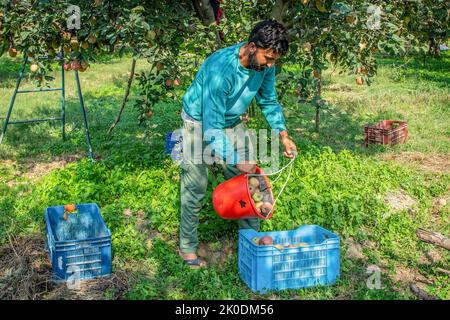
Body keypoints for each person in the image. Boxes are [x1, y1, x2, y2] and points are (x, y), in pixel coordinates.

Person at [179, 19, 297, 268]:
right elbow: (211, 127)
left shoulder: (265, 67)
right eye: (268, 58)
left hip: (232, 120)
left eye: (275, 60)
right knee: (195, 185)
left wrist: (283, 134)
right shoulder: (221, 70)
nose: (271, 65)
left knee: (249, 181)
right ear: (252, 47)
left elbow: (268, 100)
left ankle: (251, 240)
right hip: (199, 122)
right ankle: (187, 247)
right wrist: (234, 159)